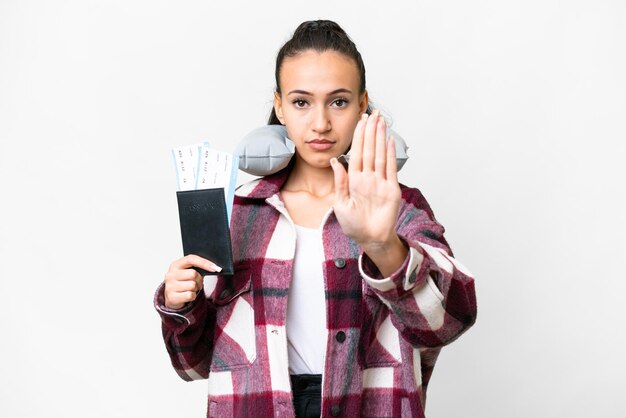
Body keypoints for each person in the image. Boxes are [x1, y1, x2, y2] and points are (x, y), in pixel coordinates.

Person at [154, 19, 477, 418]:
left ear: (362, 104)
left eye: (338, 101)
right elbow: (194, 366)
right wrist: (180, 304)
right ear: (279, 106)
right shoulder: (239, 213)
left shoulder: (400, 206)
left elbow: (450, 322)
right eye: (301, 102)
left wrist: (384, 247)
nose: (320, 123)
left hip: (367, 405)